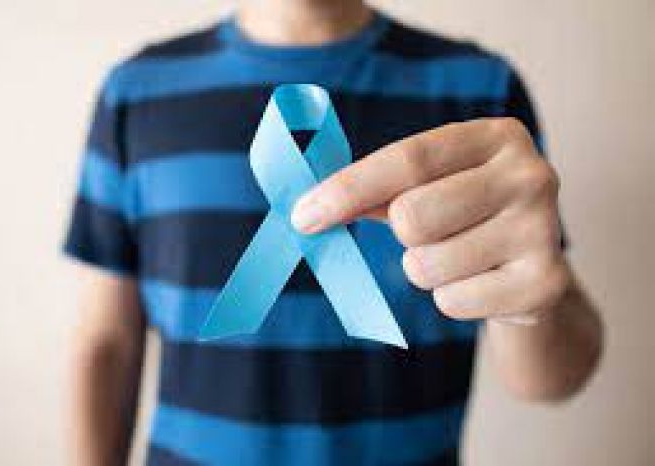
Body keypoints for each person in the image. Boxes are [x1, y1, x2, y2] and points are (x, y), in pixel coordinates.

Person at [64, 1, 603, 465]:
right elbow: (107, 343)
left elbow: (553, 378)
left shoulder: (481, 96)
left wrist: (529, 303)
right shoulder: (133, 95)